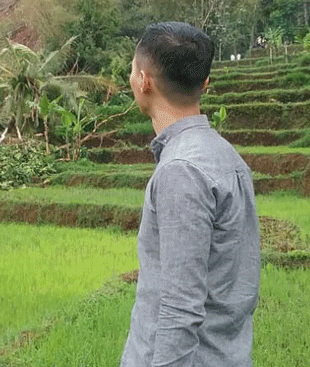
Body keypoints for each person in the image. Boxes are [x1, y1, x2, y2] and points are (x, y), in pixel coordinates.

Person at [120, 22, 261, 367]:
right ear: (205, 84)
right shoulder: (225, 156)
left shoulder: (181, 171)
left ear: (143, 81)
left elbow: (180, 308)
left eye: (132, 70)